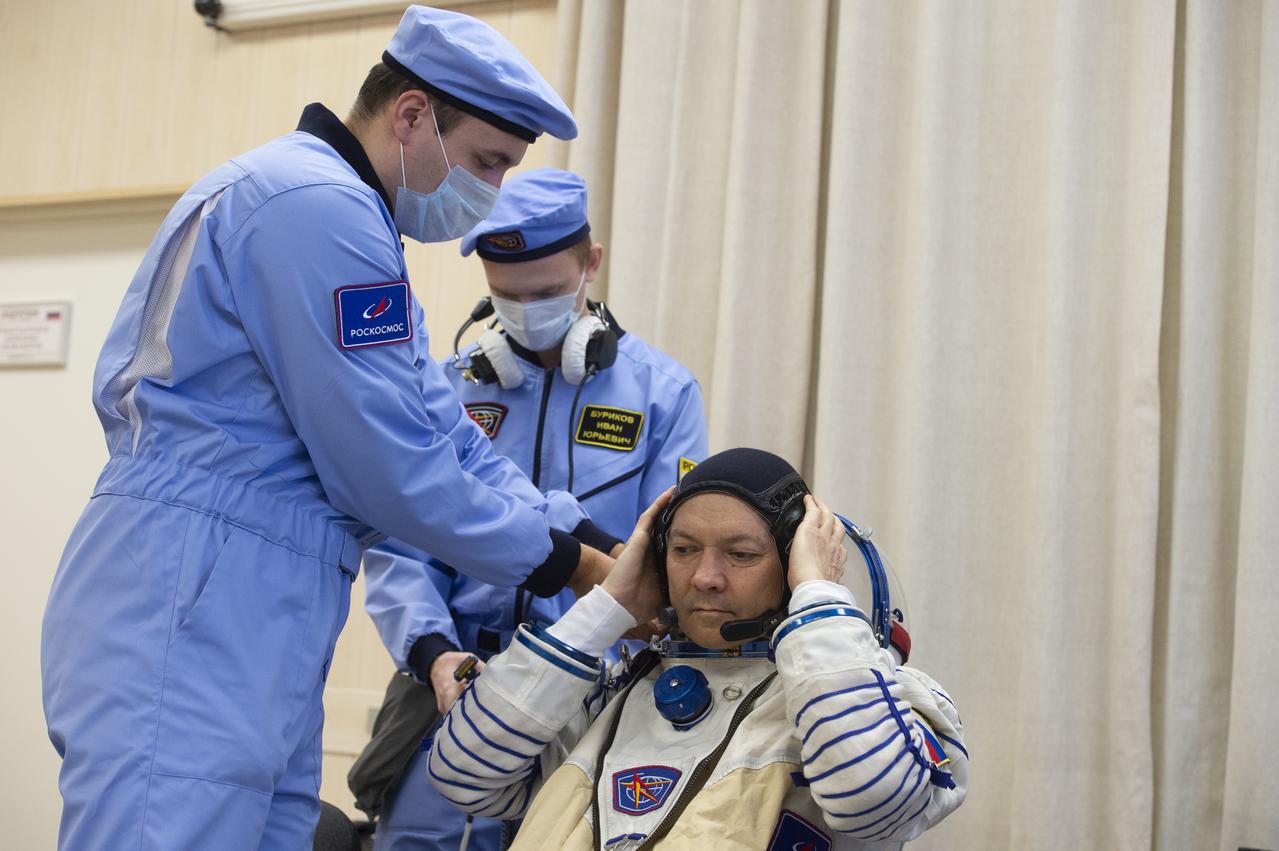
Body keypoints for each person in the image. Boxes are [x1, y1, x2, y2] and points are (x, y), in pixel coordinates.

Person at [40, 7, 620, 850]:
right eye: (488, 161)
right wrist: (575, 567)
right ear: (413, 114)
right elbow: (391, 469)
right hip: (199, 586)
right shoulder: (315, 208)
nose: (491, 192)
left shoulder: (348, 220)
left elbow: (446, 435)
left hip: (258, 597)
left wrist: (592, 539)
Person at [358, 167, 710, 851]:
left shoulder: (664, 394)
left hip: (599, 697)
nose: (526, 311)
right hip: (455, 689)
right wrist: (435, 655)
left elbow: (675, 554)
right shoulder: (449, 391)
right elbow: (401, 548)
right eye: (507, 296)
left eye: (546, 292)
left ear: (591, 264)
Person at [428, 448, 968, 850]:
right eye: (683, 550)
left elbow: (875, 798)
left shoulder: (885, 700)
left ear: (791, 564)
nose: (705, 577)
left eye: (741, 554)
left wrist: (816, 594)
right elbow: (461, 774)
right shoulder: (605, 699)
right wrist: (606, 608)